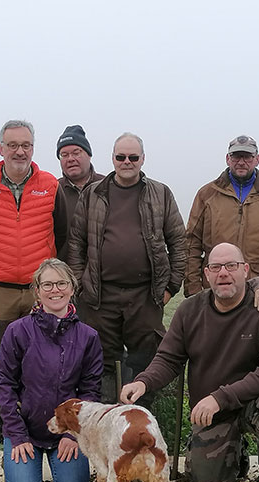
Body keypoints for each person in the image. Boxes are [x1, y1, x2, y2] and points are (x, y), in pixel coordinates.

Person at [120, 242, 259, 482]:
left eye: (231, 266)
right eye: (216, 267)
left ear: (245, 270)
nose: (224, 273)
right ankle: (236, 455)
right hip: (214, 414)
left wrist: (219, 397)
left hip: (252, 402)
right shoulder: (190, 310)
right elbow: (169, 358)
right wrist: (144, 382)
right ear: (207, 274)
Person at [0, 119, 68, 431]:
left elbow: (61, 233)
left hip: (42, 291)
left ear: (33, 149)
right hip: (0, 291)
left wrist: (45, 274)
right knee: (1, 359)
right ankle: (2, 422)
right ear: (1, 149)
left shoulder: (50, 185)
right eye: (13, 145)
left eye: (25, 145)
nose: (19, 151)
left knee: (47, 357)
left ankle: (44, 420)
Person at [68, 133, 186, 401]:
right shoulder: (92, 194)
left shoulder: (161, 193)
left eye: (133, 157)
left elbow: (179, 241)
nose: (127, 162)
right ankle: (107, 419)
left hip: (145, 296)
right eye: (121, 157)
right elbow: (76, 243)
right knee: (102, 362)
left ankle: (140, 422)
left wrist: (170, 286)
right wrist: (80, 285)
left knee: (144, 360)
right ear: (112, 159)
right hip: (100, 297)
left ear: (143, 159)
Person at [0, 258, 103, 482]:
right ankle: (13, 457)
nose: (55, 290)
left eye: (62, 283)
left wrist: (73, 435)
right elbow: (4, 385)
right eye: (47, 285)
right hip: (25, 428)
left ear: (72, 288)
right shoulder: (17, 331)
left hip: (65, 430)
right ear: (37, 291)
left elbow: (90, 391)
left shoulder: (89, 337)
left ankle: (61, 455)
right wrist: (17, 433)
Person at [184, 135, 259, 296]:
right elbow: (191, 244)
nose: (241, 162)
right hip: (217, 288)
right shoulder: (207, 194)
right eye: (236, 156)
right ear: (227, 158)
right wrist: (194, 290)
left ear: (257, 159)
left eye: (248, 157)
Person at [55, 124, 103, 261]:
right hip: (63, 276)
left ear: (89, 154)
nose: (70, 159)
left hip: (103, 274)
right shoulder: (53, 190)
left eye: (76, 153)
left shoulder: (108, 187)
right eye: (64, 155)